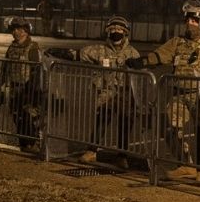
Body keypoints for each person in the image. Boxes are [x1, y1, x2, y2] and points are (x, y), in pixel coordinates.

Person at [126, 0, 200, 181]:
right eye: (188, 20)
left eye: (194, 20)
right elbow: (160, 56)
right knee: (171, 123)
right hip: (180, 94)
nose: (190, 24)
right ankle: (186, 164)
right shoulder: (178, 42)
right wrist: (142, 62)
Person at [47, 15, 141, 168]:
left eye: (119, 29)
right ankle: (91, 152)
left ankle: (122, 156)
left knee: (124, 127)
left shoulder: (133, 53)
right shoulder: (99, 50)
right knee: (101, 122)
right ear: (107, 31)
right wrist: (58, 52)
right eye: (112, 29)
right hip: (106, 94)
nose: (115, 32)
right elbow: (77, 55)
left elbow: (140, 76)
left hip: (126, 95)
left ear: (125, 32)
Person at [0, 16, 43, 153]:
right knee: (17, 116)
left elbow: (36, 71)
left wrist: (31, 92)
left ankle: (33, 144)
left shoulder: (33, 48)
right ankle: (24, 144)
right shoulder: (12, 48)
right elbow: (5, 68)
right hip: (15, 88)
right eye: (14, 29)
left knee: (29, 118)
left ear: (26, 31)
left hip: (29, 89)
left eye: (20, 29)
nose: (16, 32)